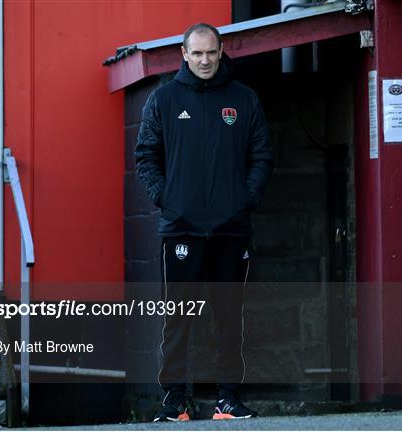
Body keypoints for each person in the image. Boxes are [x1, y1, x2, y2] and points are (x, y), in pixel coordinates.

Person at [135, 22, 273, 422]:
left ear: (221, 50)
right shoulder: (163, 100)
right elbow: (145, 156)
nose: (205, 60)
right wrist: (167, 199)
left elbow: (262, 155)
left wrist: (244, 199)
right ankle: (176, 400)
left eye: (211, 52)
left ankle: (226, 399)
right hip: (181, 230)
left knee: (229, 317)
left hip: (231, 230)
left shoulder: (244, 100)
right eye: (197, 53)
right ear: (184, 53)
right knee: (178, 318)